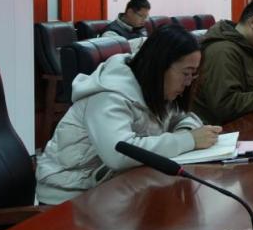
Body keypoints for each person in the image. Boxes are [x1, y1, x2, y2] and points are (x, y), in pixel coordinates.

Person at [36, 24, 220, 205]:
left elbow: (184, 117)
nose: (188, 82)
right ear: (160, 66)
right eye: (186, 73)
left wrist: (185, 132)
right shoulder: (108, 95)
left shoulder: (154, 87)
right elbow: (118, 154)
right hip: (69, 196)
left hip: (113, 187)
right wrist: (188, 140)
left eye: (193, 75)